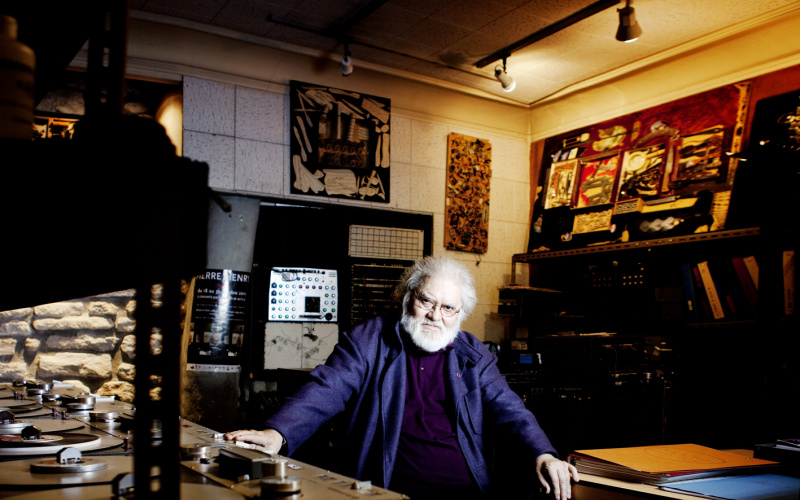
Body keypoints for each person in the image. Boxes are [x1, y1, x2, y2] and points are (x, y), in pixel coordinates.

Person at [226, 256, 578, 499]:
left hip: (466, 492)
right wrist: (277, 433)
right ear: (408, 297)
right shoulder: (369, 339)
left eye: (448, 308)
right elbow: (328, 386)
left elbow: (511, 410)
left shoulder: (473, 355)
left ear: (460, 315)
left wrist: (542, 453)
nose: (435, 315)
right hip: (383, 489)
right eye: (426, 301)